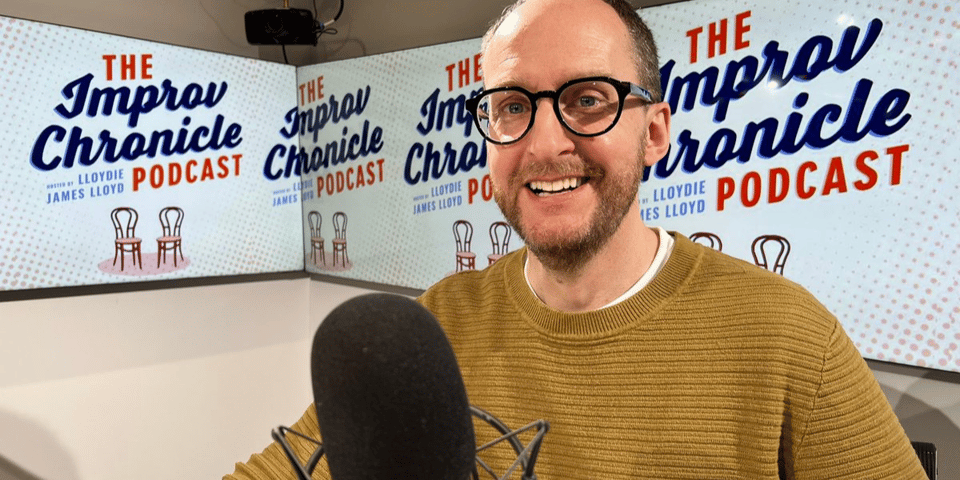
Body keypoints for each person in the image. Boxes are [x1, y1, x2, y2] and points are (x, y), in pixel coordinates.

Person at [226, 0, 927, 478]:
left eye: (588, 100)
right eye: (511, 107)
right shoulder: (439, 323)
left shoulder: (790, 339)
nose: (543, 143)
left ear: (654, 132)